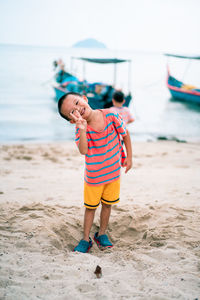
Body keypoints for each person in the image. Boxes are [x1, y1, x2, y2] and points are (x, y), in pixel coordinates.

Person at [58, 92, 132, 253]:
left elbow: (125, 135)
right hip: (94, 178)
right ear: (72, 120)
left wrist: (129, 158)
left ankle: (102, 233)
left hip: (113, 174)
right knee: (90, 208)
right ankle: (86, 238)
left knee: (107, 204)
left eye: (77, 103)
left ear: (85, 99)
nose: (78, 109)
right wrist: (82, 129)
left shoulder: (111, 115)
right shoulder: (80, 130)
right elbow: (83, 150)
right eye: (73, 112)